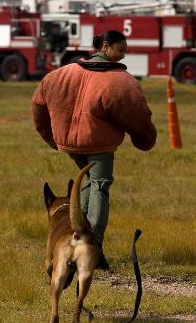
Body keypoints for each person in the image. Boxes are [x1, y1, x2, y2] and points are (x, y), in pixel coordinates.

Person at [31, 30, 157, 270]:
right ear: (106, 47)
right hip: (99, 145)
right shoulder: (121, 81)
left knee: (88, 181)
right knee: (99, 185)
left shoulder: (61, 74)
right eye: (120, 50)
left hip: (69, 144)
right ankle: (93, 247)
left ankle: (76, 239)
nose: (122, 56)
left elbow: (38, 103)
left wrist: (52, 138)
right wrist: (145, 138)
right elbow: (138, 115)